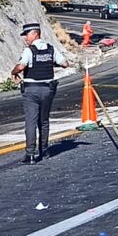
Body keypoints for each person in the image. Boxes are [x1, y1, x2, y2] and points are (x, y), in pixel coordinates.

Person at [11, 23, 69, 165]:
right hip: (48, 89)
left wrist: (14, 72)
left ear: (35, 34)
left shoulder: (29, 51)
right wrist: (50, 63)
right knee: (44, 121)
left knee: (31, 122)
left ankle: (30, 154)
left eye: (27, 34)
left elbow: (21, 65)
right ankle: (44, 151)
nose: (25, 38)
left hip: (31, 89)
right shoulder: (51, 49)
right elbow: (65, 64)